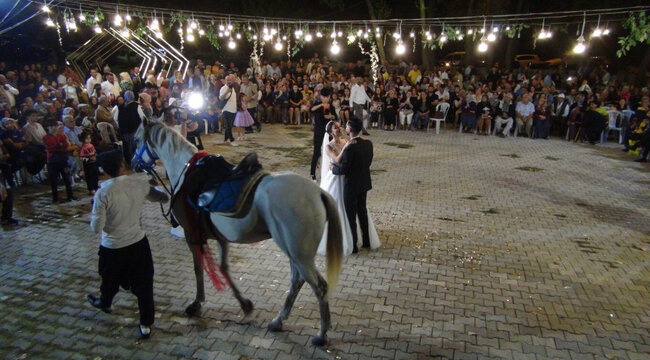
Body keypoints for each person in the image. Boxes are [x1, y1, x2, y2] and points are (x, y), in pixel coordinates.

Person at [88, 150, 169, 339]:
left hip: (113, 247)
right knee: (144, 284)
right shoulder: (138, 183)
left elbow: (96, 228)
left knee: (109, 279)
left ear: (103, 170)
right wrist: (152, 187)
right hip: (138, 243)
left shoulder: (103, 194)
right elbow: (162, 198)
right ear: (122, 165)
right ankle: (146, 324)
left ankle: (105, 302)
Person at [332, 118, 378, 253]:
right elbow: (368, 162)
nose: (344, 127)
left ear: (350, 130)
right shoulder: (368, 144)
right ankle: (367, 241)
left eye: (346, 126)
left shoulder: (350, 148)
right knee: (362, 212)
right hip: (364, 182)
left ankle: (353, 246)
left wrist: (332, 168)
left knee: (351, 216)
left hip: (351, 185)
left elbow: (344, 169)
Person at [43, 120, 76, 203]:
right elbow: (49, 147)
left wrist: (58, 146)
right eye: (52, 126)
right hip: (53, 161)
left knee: (67, 179)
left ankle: (70, 195)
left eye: (55, 126)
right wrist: (59, 146)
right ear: (48, 128)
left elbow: (65, 146)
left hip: (63, 159)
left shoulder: (62, 136)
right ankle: (55, 198)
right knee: (54, 180)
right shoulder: (46, 137)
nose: (54, 128)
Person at [309, 88, 336, 181]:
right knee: (316, 152)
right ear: (320, 97)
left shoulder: (331, 106)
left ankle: (330, 171)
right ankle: (312, 173)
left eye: (327, 97)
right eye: (324, 97)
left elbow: (335, 116)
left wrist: (330, 116)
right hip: (318, 132)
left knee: (330, 151)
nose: (325, 99)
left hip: (329, 133)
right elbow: (311, 110)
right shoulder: (317, 104)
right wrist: (321, 105)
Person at [219, 74, 239, 146]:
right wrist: (227, 91)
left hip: (233, 109)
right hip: (226, 109)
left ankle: (225, 140)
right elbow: (221, 98)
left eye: (230, 80)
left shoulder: (233, 88)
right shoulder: (223, 88)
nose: (229, 81)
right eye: (227, 80)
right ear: (225, 80)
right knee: (228, 125)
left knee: (229, 125)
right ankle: (231, 140)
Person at [79, 131, 99, 195]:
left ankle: (95, 187)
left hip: (94, 163)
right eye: (87, 138)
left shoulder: (91, 145)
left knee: (95, 175)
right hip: (88, 164)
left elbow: (94, 152)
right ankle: (91, 188)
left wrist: (95, 156)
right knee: (89, 176)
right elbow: (81, 157)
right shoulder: (83, 148)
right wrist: (88, 159)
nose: (89, 140)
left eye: (89, 138)